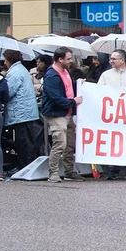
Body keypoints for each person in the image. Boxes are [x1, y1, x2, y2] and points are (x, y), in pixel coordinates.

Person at [97, 50, 126, 180]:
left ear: (122, 60)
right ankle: (113, 170)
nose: (111, 61)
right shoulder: (105, 75)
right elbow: (98, 91)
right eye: (110, 59)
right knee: (113, 141)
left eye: (114, 59)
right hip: (112, 114)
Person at [40, 48, 81, 182]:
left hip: (66, 112)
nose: (70, 61)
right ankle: (53, 172)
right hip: (56, 114)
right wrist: (72, 102)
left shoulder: (65, 72)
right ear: (60, 59)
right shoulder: (51, 75)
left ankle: (69, 171)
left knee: (69, 143)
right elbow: (55, 97)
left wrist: (79, 84)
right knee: (60, 143)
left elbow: (68, 88)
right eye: (68, 59)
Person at [2, 51, 43, 170]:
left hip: (21, 112)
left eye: (5, 59)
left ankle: (24, 167)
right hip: (26, 111)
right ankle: (25, 165)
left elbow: (8, 91)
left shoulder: (14, 73)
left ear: (10, 59)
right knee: (26, 140)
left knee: (23, 141)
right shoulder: (21, 69)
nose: (4, 62)